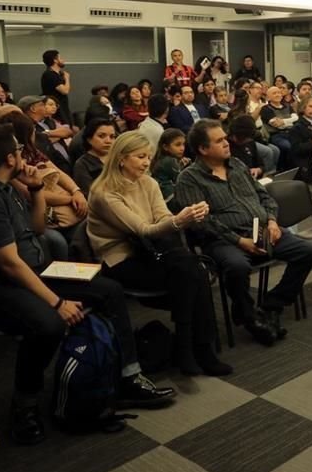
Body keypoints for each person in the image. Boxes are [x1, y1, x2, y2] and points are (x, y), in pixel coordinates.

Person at [0, 124, 176, 445]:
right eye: (17, 149)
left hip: (39, 269)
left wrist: (36, 190)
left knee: (108, 289)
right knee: (48, 324)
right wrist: (57, 302)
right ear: (8, 157)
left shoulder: (7, 186)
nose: (22, 153)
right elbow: (9, 263)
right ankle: (24, 404)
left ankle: (128, 376)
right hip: (2, 284)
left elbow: (39, 228)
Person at [87, 131, 231, 376]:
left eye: (148, 157)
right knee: (191, 272)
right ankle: (197, 349)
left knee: (192, 270)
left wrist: (178, 219)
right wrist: (179, 220)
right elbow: (143, 229)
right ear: (121, 159)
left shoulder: (148, 182)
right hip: (121, 259)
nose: (146, 162)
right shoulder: (104, 193)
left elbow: (161, 217)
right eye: (140, 157)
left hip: (150, 252)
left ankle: (192, 349)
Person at [175, 120, 312, 345]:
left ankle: (271, 305)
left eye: (225, 138)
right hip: (223, 240)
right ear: (203, 149)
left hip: (262, 229)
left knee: (307, 252)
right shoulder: (189, 179)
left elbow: (264, 196)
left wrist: (271, 221)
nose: (227, 143)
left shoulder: (237, 165)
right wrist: (238, 240)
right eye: (219, 140)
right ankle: (248, 315)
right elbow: (202, 222)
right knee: (237, 266)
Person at [73, 117, 117, 197]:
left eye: (112, 137)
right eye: (101, 136)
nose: (108, 141)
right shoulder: (82, 165)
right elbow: (91, 195)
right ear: (89, 139)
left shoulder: (119, 158)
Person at [260, 86, 297, 168]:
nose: (277, 95)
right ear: (268, 97)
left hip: (291, 133)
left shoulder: (288, 106)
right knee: (288, 146)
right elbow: (277, 125)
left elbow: (296, 119)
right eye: (274, 93)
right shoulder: (265, 109)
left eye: (279, 92)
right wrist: (290, 121)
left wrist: (283, 121)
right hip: (276, 135)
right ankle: (284, 169)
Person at [288, 96, 312, 182]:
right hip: (308, 163)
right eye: (311, 106)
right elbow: (297, 149)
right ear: (303, 107)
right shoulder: (297, 127)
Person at [152, 128, 190, 202]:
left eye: (183, 144)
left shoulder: (163, 159)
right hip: (169, 198)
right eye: (178, 145)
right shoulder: (169, 161)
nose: (182, 148)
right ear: (165, 147)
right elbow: (183, 181)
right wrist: (187, 166)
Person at [39, 49, 72, 126]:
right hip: (56, 110)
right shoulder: (49, 74)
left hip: (63, 107)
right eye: (60, 58)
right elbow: (65, 91)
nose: (63, 60)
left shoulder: (59, 75)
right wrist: (67, 78)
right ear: (55, 60)